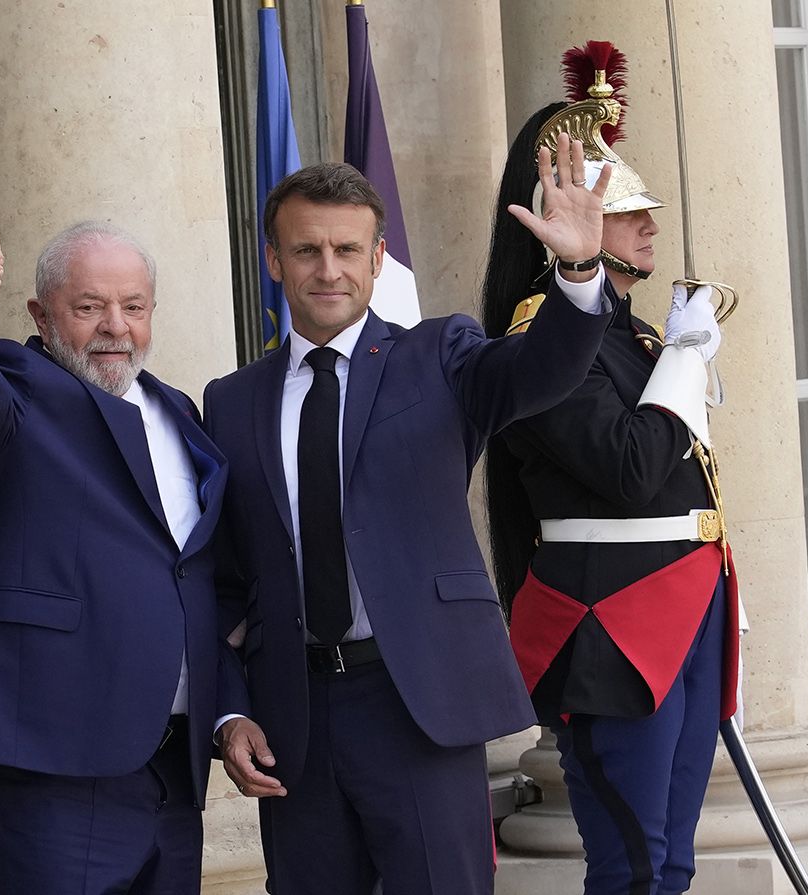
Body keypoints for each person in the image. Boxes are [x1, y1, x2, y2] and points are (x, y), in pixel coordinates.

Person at [203, 150, 617, 894]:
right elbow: (227, 582)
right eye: (306, 250)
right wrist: (230, 710)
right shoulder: (230, 402)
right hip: (294, 718)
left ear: (377, 258)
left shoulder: (439, 356)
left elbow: (541, 371)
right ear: (273, 260)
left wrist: (579, 273)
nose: (328, 269)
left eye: (347, 249)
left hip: (416, 701)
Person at [482, 42, 735, 895]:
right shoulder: (538, 342)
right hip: (613, 621)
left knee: (672, 865)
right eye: (626, 211)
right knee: (633, 864)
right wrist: (688, 361)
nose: (649, 224)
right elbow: (630, 468)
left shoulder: (639, 337)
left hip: (685, 602)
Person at [0, 208, 231, 894]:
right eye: (89, 307)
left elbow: (197, 574)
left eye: (133, 307)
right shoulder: (14, 393)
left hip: (170, 769)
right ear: (41, 314)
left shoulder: (180, 411)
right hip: (51, 763)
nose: (115, 326)